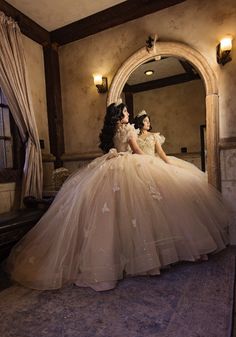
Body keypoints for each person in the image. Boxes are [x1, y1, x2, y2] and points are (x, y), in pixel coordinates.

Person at [7, 101, 229, 292]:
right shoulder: (129, 130)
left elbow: (110, 150)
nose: (128, 115)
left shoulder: (110, 131)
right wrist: (151, 162)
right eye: (125, 112)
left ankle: (110, 259)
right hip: (128, 165)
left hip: (109, 165)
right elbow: (136, 151)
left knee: (108, 215)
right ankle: (143, 258)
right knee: (139, 212)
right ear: (120, 115)